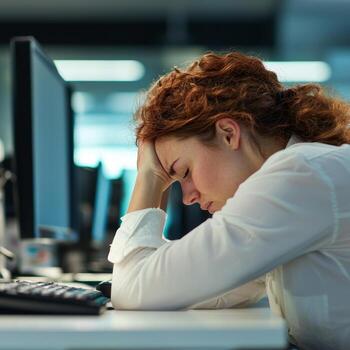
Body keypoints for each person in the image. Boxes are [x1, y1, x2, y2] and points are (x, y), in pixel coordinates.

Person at [107, 52, 350, 350]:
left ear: (228, 133)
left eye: (184, 172)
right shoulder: (306, 174)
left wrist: (149, 176)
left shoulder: (299, 174)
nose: (187, 198)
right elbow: (204, 289)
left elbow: (132, 291)